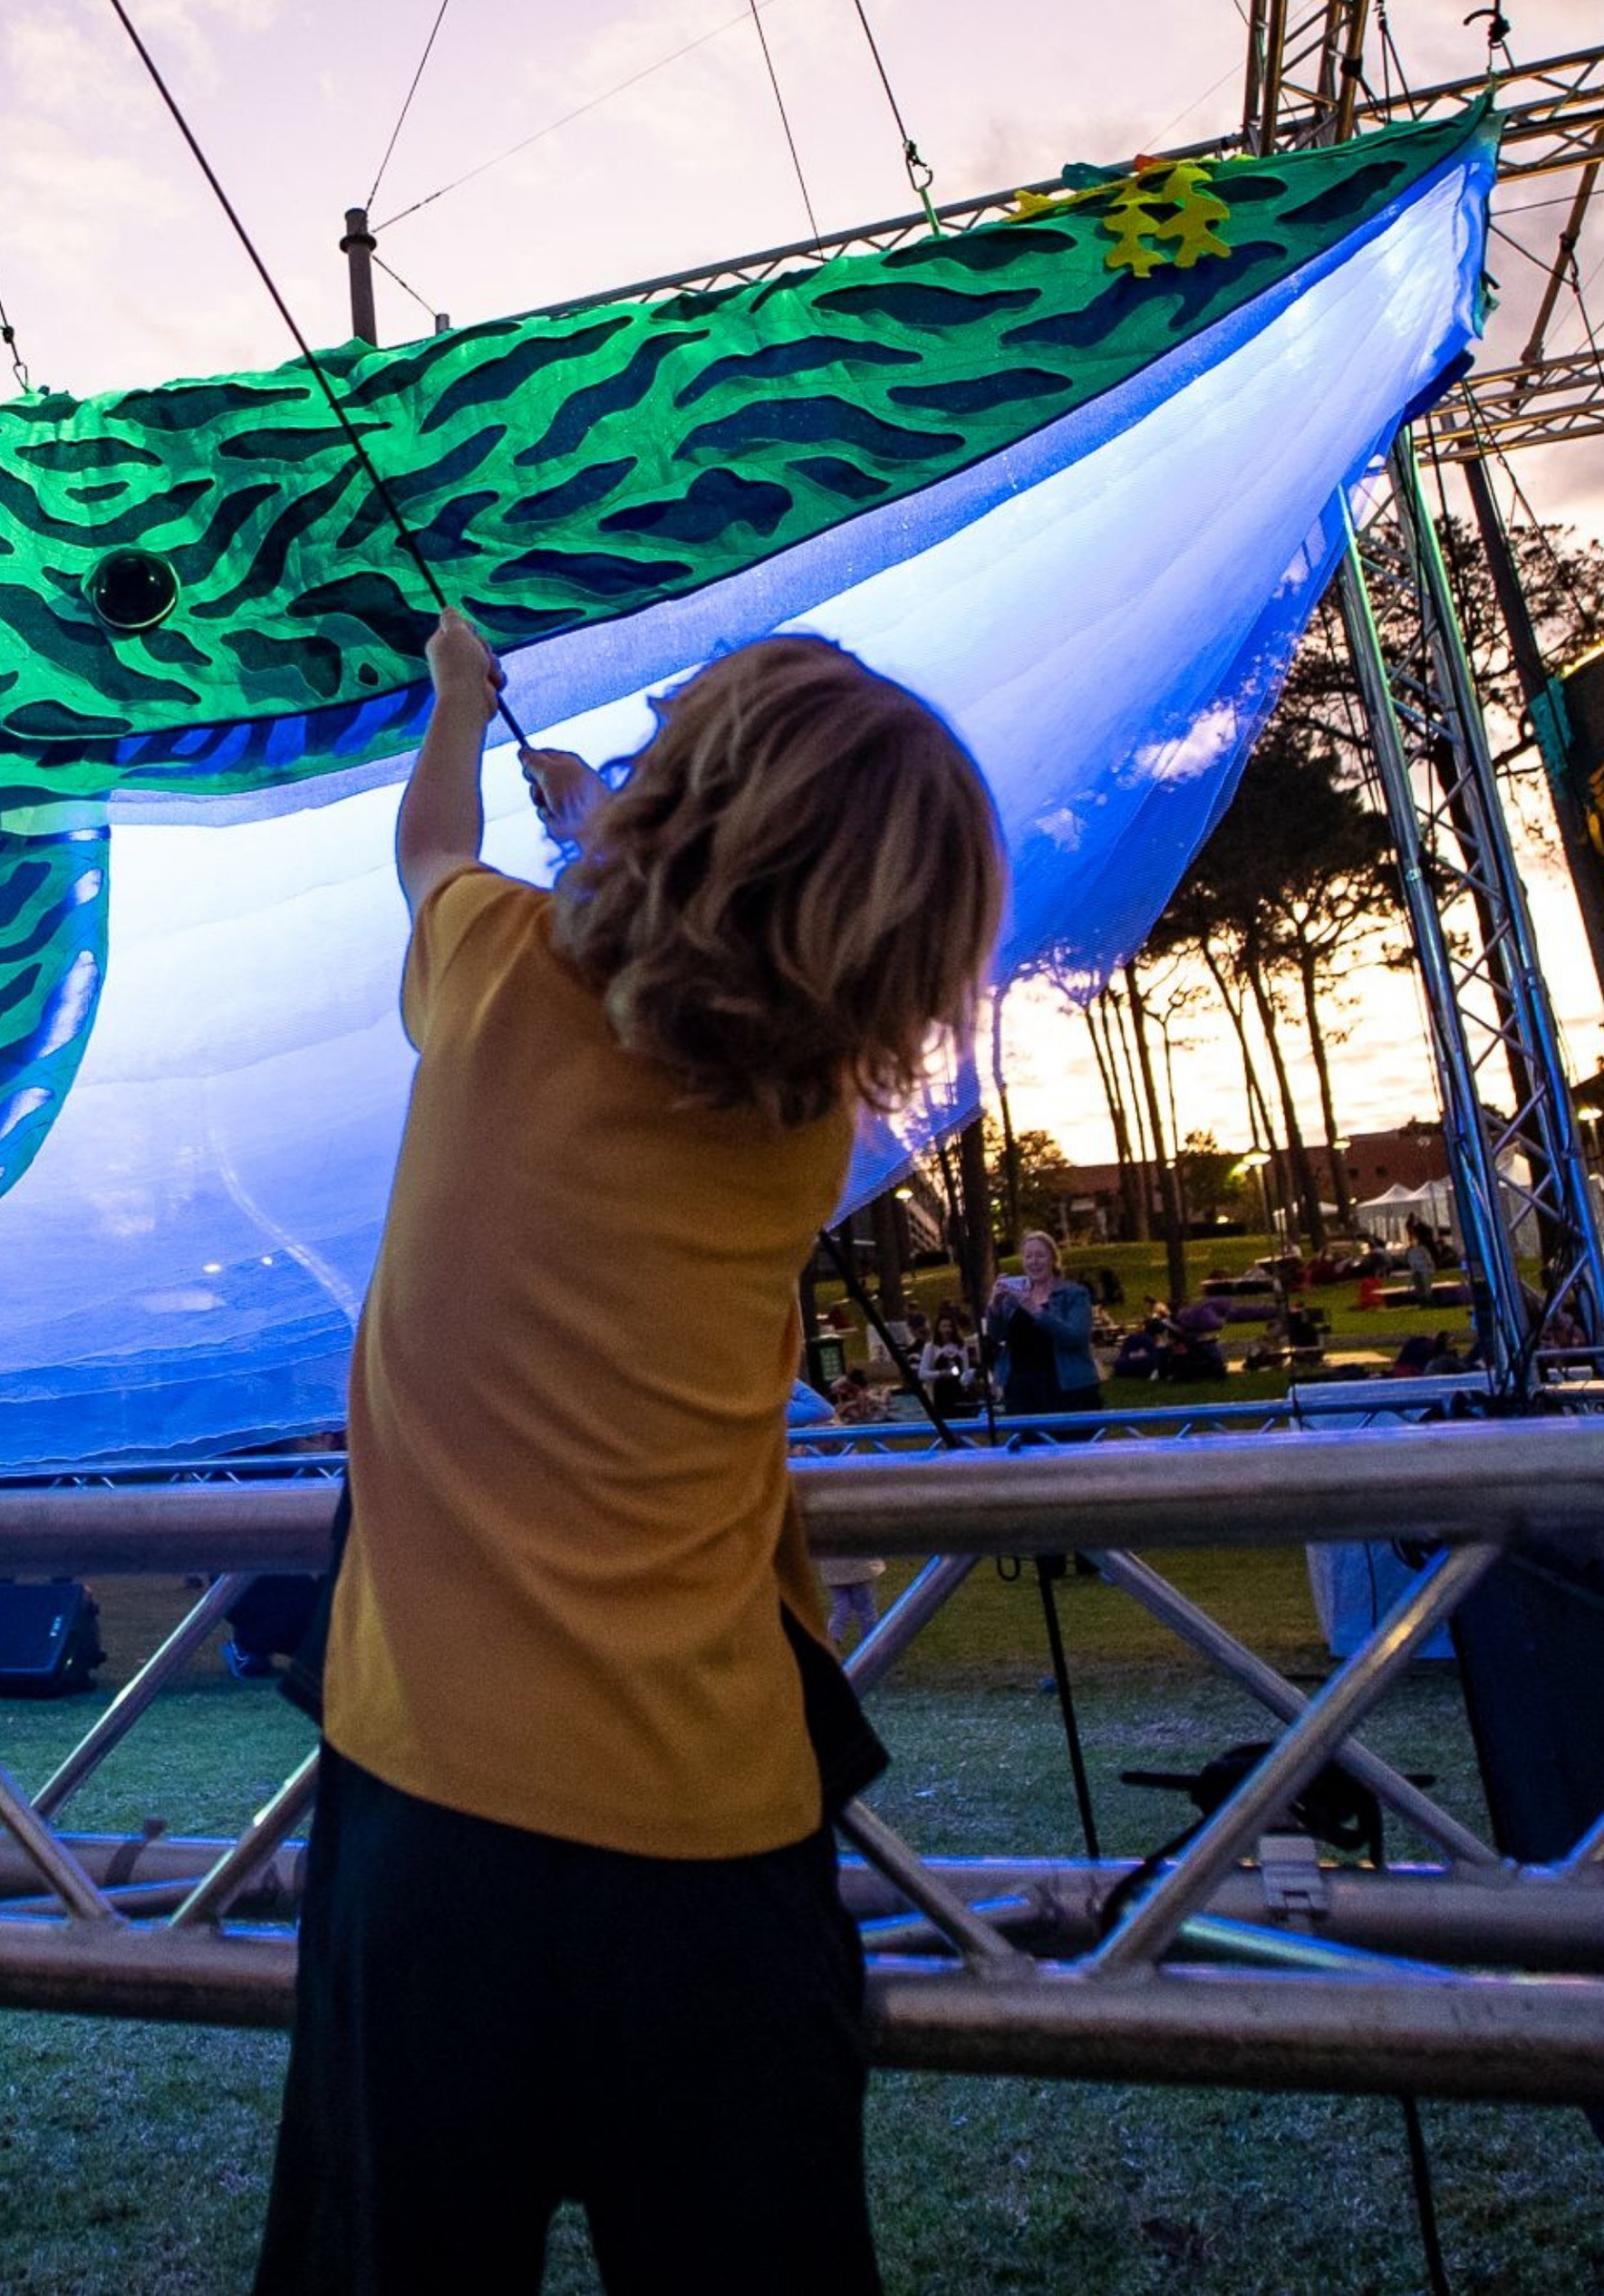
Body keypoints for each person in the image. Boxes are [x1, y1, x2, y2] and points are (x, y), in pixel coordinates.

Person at [258, 613, 998, 2295]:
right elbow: (716, 974)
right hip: (727, 1859)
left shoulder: (501, 964)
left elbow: (430, 844)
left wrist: (459, 708)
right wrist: (609, 830)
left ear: (675, 813)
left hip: (438, 1836)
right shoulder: (803, 1130)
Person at [986, 1232, 1101, 1419]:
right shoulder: (1014, 1298)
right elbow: (997, 1336)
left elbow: (1075, 1337)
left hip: (1066, 1386)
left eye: (1040, 1255)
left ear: (1053, 1259)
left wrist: (1034, 1309)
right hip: (1021, 1389)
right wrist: (995, 1305)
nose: (1034, 1262)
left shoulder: (1074, 1294)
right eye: (1028, 1256)